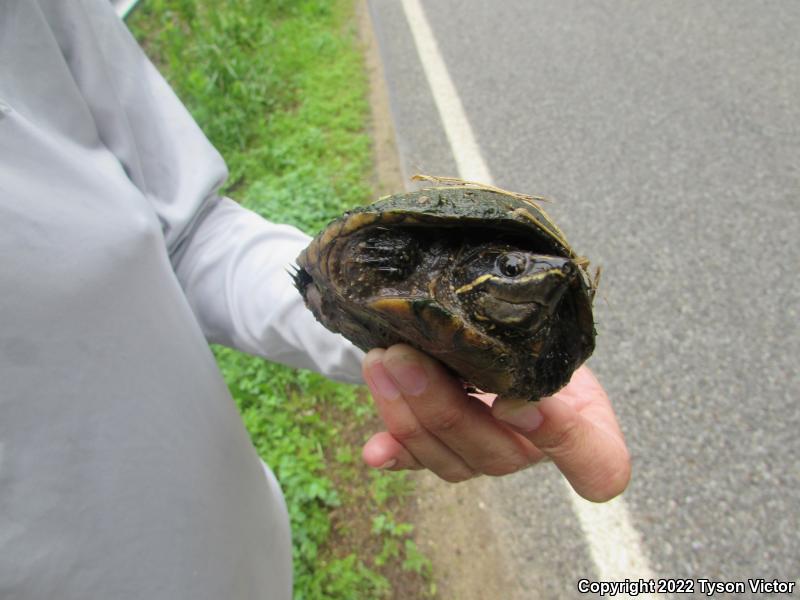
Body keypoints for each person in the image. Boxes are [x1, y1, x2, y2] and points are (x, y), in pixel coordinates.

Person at [0, 1, 630, 598]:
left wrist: (377, 335)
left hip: (240, 551)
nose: (538, 278)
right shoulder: (419, 267)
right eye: (515, 267)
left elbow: (183, 231)